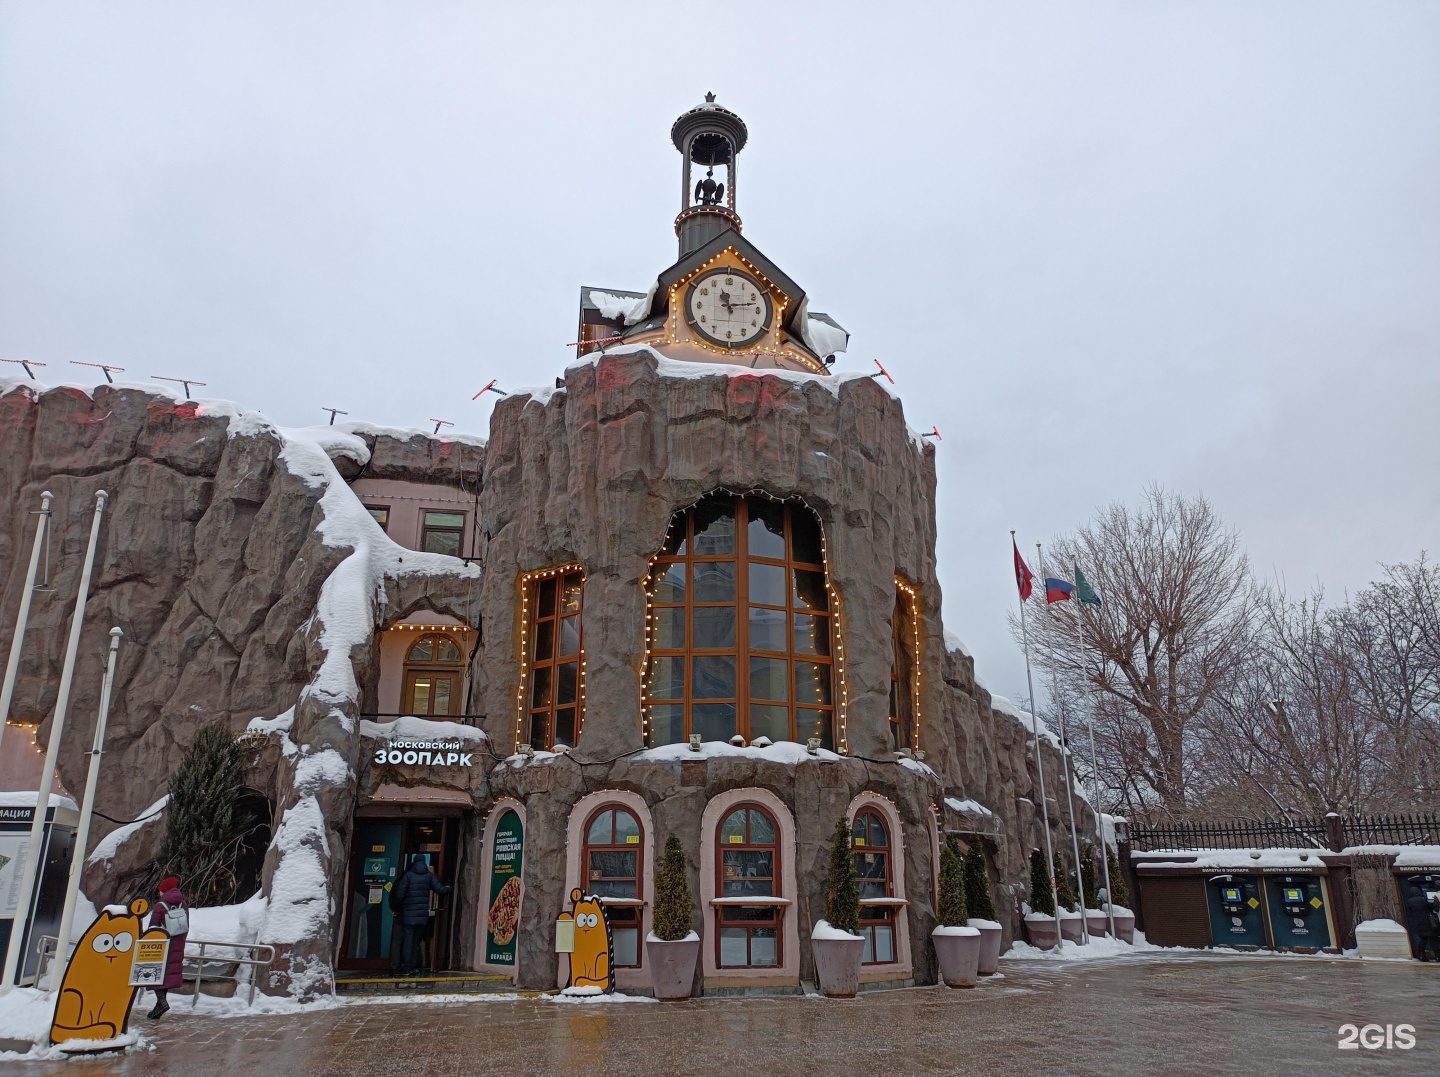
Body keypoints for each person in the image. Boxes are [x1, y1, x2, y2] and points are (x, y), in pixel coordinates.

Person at [391, 855, 450, 975]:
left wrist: (396, 908)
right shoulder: (429, 876)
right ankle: (413, 966)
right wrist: (449, 888)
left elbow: (399, 895)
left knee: (408, 940)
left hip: (408, 914)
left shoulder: (408, 876)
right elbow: (441, 890)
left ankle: (406, 967)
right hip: (422, 914)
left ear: (414, 862)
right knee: (415, 941)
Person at [147, 875, 188, 1019]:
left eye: (160, 890)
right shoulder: (182, 904)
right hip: (178, 943)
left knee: (156, 973)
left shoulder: (160, 906)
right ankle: (159, 1006)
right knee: (168, 975)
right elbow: (185, 925)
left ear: (164, 891)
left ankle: (162, 1002)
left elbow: (153, 927)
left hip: (163, 945)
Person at [1404, 879, 1440, 961]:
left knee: (1423, 940)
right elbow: (1431, 908)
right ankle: (1438, 956)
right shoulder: (1422, 899)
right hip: (1428, 922)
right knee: (1433, 939)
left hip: (1419, 922)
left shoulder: (1409, 901)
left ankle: (1421, 955)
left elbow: (1410, 910)